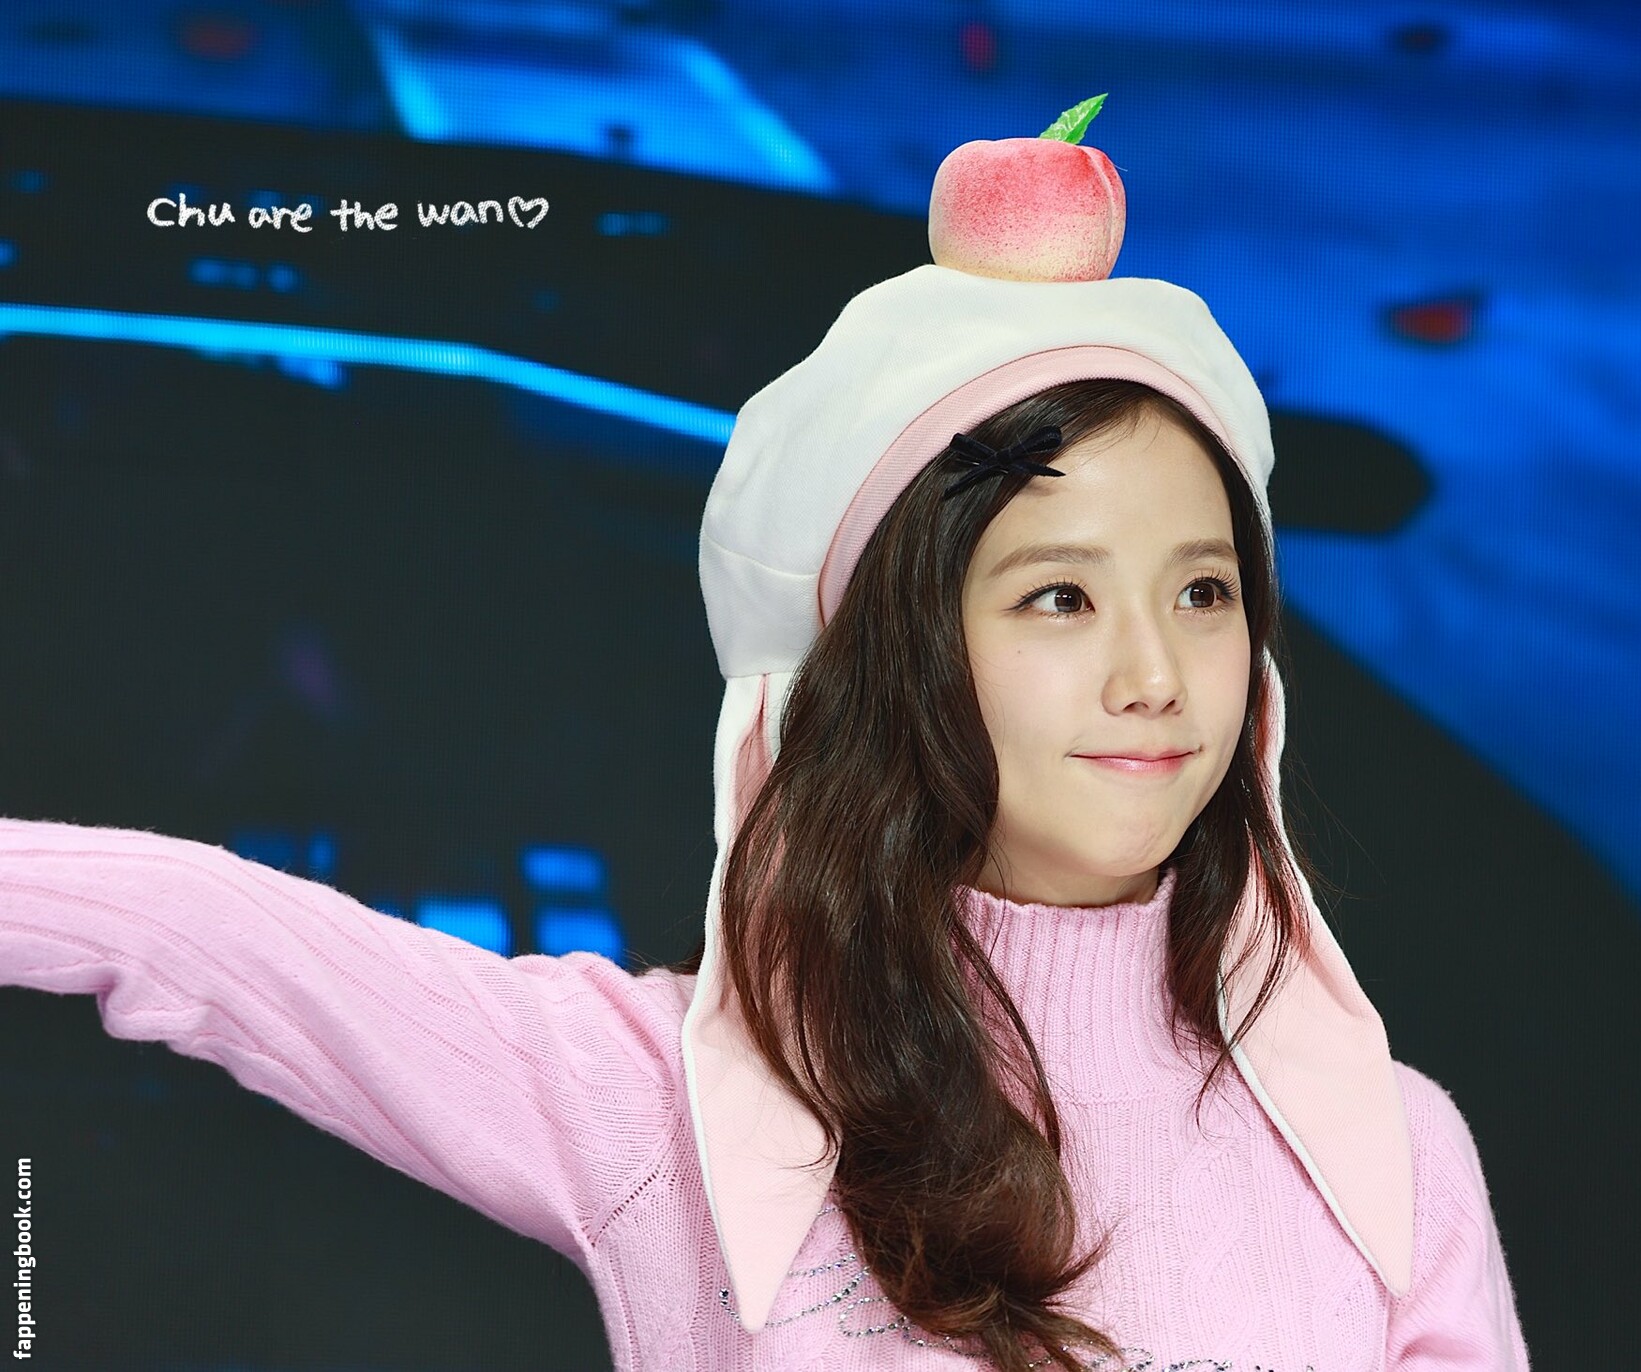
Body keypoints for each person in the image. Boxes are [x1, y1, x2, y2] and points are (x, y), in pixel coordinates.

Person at [0, 134, 1528, 1372]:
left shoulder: (1392, 1146)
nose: (1156, 677)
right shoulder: (671, 1100)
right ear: (898, 660)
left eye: (1203, 592)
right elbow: (197, 929)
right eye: (1058, 596)